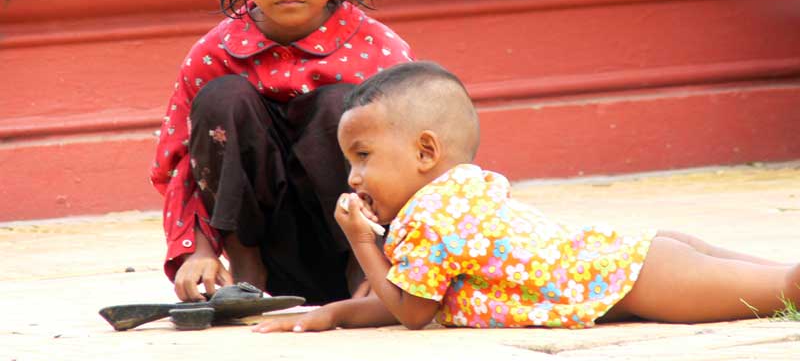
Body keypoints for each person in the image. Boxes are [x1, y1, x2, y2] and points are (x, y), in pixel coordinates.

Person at [255, 61, 800, 332]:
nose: (353, 178)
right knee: (776, 278)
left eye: (363, 157)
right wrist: (335, 314)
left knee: (783, 291)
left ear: (425, 151)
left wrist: (360, 241)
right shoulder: (460, 191)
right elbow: (410, 296)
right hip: (638, 257)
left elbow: (412, 312)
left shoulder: (431, 218)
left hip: (638, 282)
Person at [149, 0, 414, 305]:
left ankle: (362, 272)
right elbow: (180, 164)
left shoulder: (380, 53)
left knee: (344, 105)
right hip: (263, 256)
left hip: (365, 254)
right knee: (223, 98)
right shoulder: (214, 55)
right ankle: (246, 273)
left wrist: (405, 263)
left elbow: (419, 165)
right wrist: (198, 251)